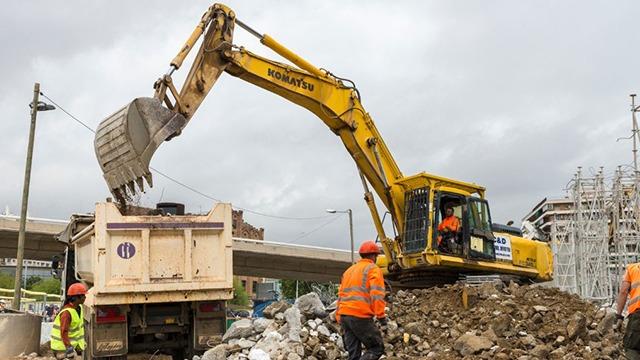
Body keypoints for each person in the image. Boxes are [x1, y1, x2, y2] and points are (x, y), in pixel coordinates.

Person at [336, 240, 386, 360]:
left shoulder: (349, 271)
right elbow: (377, 295)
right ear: (374, 256)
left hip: (344, 316)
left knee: (353, 355)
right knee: (376, 348)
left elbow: (341, 295)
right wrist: (381, 317)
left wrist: (339, 317)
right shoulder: (373, 269)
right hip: (360, 315)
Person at [51, 283, 87, 359]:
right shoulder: (67, 313)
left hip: (69, 346)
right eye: (83, 296)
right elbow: (64, 331)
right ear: (76, 298)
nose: (85, 297)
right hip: (61, 348)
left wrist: (78, 346)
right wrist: (69, 347)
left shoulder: (78, 308)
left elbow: (77, 330)